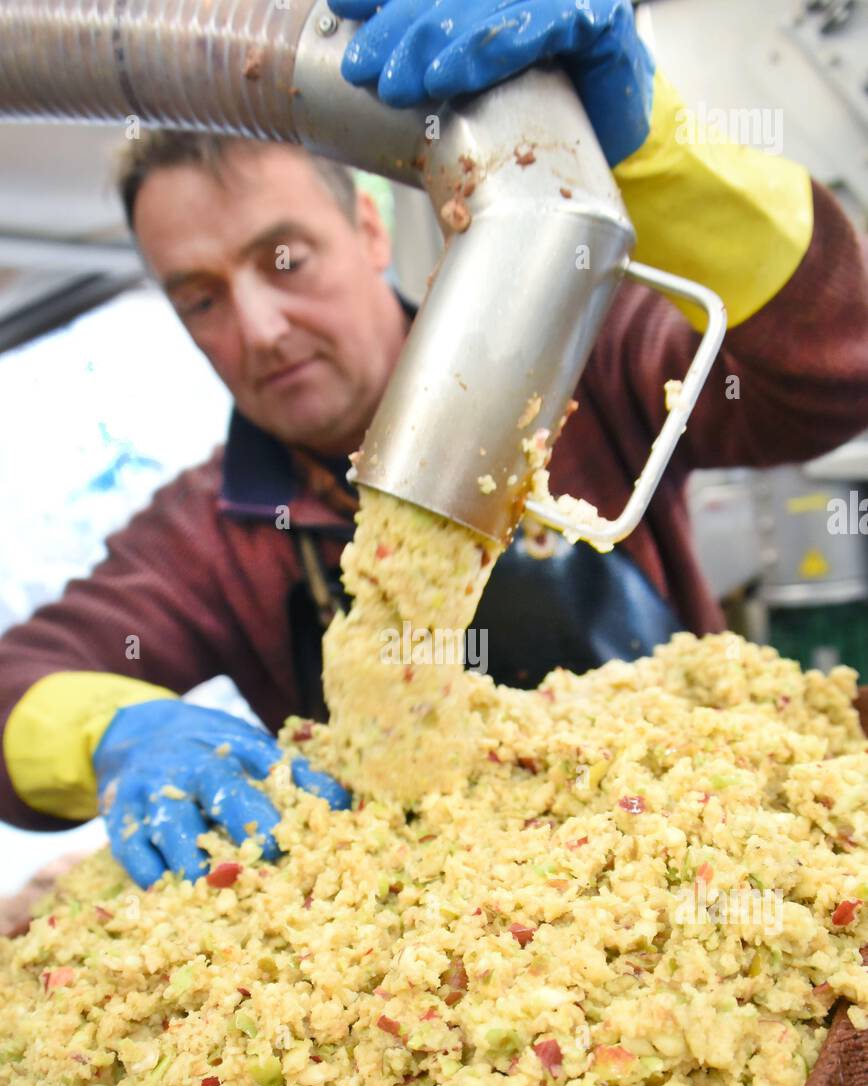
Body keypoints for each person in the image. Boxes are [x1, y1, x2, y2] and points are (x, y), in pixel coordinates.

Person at [1, 0, 866, 889]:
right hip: (427, 942)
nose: (259, 328)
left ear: (371, 231)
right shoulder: (211, 531)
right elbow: (17, 685)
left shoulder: (572, 356)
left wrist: (650, 158)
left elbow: (834, 370)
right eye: (200, 299)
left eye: (283, 259)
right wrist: (113, 733)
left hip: (686, 879)